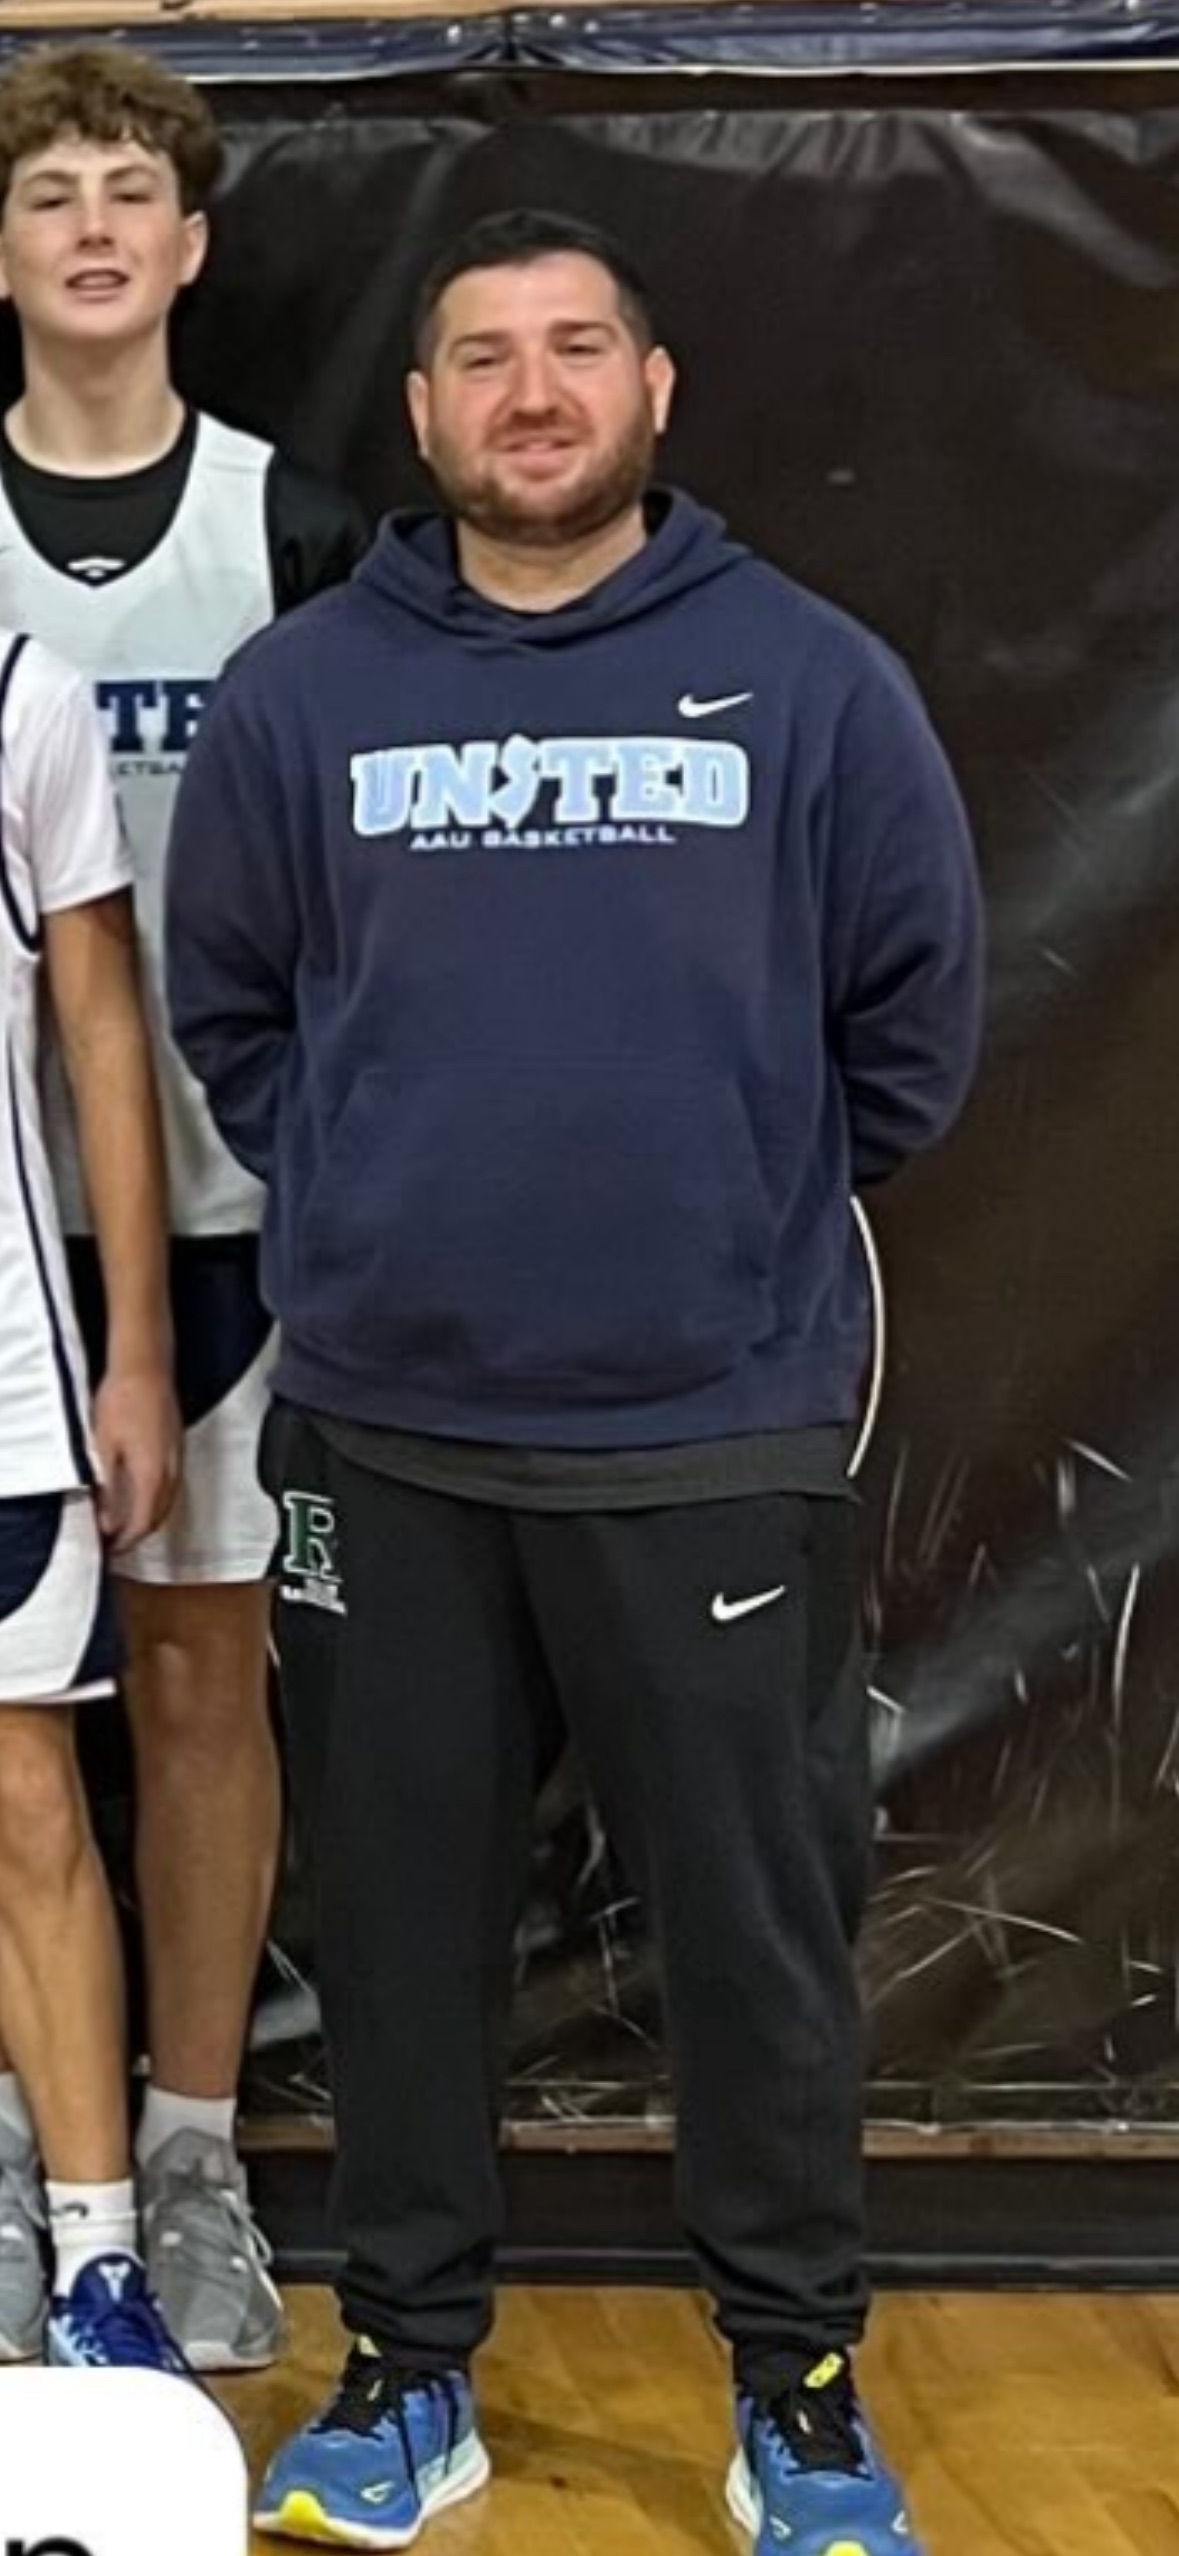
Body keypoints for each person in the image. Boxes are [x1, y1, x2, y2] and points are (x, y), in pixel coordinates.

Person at [166, 208, 983, 2554]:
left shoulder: (805, 681)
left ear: (654, 389)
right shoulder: (310, 693)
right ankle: (408, 2379)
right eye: (481, 359)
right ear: (416, 417)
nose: (531, 392)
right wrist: (373, 1200)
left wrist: (707, 1207)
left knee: (753, 1932)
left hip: (707, 1431)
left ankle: (796, 2392)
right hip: (387, 1436)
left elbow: (909, 1029)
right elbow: (232, 1008)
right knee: (405, 1931)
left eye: (575, 351)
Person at [0, 41, 370, 2370]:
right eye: (52, 193)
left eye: (136, 189)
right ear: (7, 249)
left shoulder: (304, 529)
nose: (98, 228)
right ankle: (39, 2154)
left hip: (227, 1210)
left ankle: (203, 2139)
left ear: (198, 245)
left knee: (207, 1680)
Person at [0, 622, 188, 2369]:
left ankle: (97, 2257)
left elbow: (101, 1028)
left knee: (26, 1801)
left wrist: (137, 1348)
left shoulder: (22, 697)